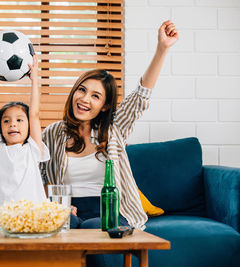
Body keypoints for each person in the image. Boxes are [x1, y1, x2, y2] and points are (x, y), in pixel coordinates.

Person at [40, 21, 178, 265]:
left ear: (104, 106)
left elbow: (141, 96)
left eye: (95, 96)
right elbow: (39, 175)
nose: (84, 99)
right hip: (68, 209)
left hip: (110, 209)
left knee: (96, 228)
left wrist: (162, 49)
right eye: (81, 90)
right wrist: (55, 206)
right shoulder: (52, 133)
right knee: (64, 224)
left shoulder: (114, 129)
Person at [0, 55, 49, 216]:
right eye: (6, 121)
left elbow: (34, 113)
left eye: (20, 120)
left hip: (30, 213)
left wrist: (35, 79)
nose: (12, 124)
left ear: (29, 126)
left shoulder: (33, 149)